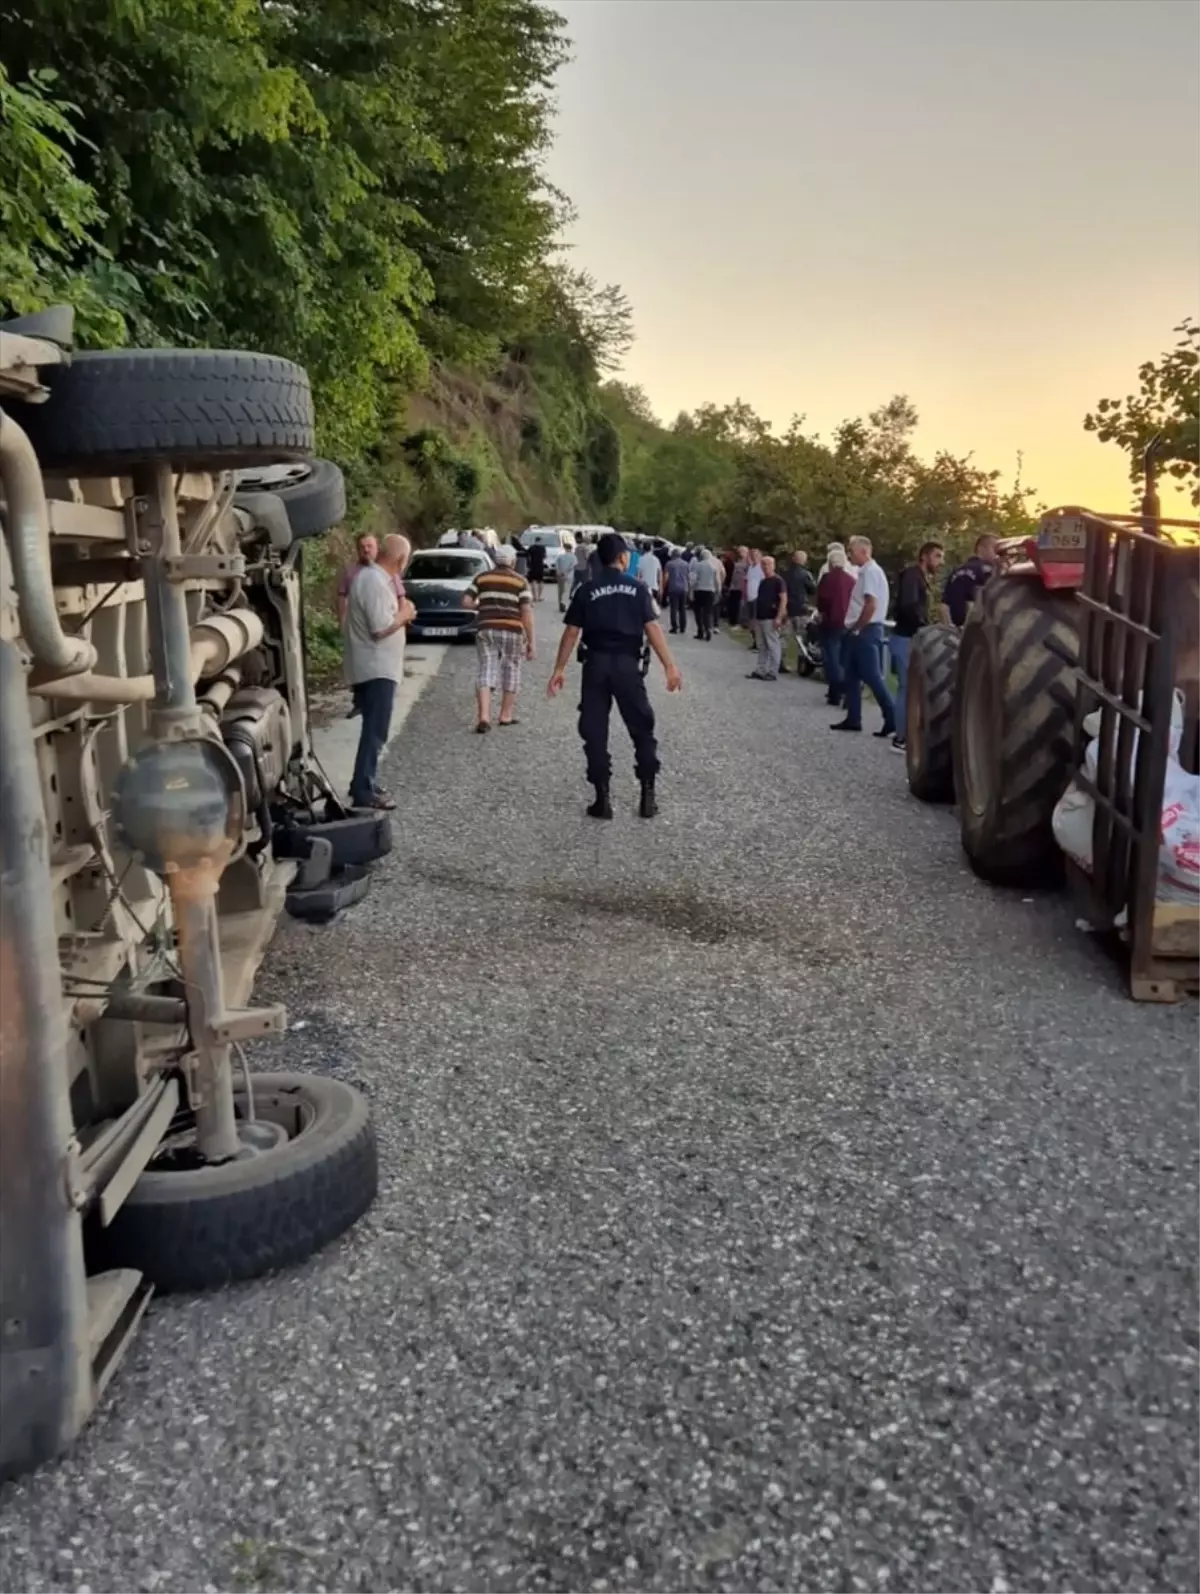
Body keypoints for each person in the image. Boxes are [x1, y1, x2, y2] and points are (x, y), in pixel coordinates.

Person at [549, 531, 682, 820]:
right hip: (626, 666)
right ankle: (647, 796)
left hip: (596, 665)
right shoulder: (638, 589)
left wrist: (559, 669)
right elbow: (652, 628)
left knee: (595, 731)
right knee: (642, 729)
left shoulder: (586, 589)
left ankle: (603, 799)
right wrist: (669, 665)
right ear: (623, 558)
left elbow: (572, 632)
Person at [343, 535, 415, 809]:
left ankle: (363, 782)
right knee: (375, 731)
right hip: (376, 667)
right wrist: (405, 614)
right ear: (401, 559)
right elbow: (379, 628)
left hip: (378, 666)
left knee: (375, 729)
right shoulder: (374, 582)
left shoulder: (376, 579)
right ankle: (363, 789)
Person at [462, 544, 534, 731]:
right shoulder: (521, 581)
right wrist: (531, 641)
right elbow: (526, 611)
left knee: (486, 669)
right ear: (512, 561)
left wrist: (482, 607)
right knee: (511, 668)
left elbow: (466, 601)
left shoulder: (482, 578)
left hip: (486, 628)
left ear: (495, 561)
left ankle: (484, 717)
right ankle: (505, 715)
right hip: (512, 629)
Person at [831, 535, 895, 737]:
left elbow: (871, 604)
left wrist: (858, 628)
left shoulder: (870, 573)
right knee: (851, 675)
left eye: (852, 551)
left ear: (864, 551)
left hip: (866, 630)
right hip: (862, 629)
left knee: (872, 676)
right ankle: (853, 717)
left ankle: (891, 716)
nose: (849, 555)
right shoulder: (865, 572)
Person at [889, 539, 944, 752]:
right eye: (937, 556)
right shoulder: (913, 576)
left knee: (909, 688)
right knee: (906, 688)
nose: (940, 562)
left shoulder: (919, 577)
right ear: (925, 556)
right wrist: (923, 627)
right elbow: (909, 605)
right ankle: (900, 738)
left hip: (909, 636)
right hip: (906, 637)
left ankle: (903, 734)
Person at [815, 546, 857, 705]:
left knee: (831, 658)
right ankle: (842, 689)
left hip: (831, 622)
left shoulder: (827, 578)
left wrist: (821, 613)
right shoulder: (851, 580)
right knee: (844, 657)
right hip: (847, 622)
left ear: (831, 563)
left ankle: (836, 689)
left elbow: (822, 601)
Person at [941, 533, 999, 626]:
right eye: (995, 549)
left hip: (954, 632)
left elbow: (944, 606)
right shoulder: (988, 571)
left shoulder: (956, 571)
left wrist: (948, 628)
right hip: (978, 630)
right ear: (980, 548)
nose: (997, 554)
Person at [749, 555, 787, 679]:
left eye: (768, 564)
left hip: (771, 617)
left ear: (773, 566)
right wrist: (755, 617)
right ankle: (760, 669)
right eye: (764, 564)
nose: (766, 567)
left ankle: (773, 671)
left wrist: (779, 617)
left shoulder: (778, 581)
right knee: (762, 645)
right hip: (761, 616)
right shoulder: (763, 582)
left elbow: (783, 599)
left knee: (773, 644)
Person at [780, 550, 816, 673]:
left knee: (784, 637)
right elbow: (812, 590)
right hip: (801, 609)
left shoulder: (784, 574)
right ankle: (802, 665)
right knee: (803, 638)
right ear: (803, 560)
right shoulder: (806, 574)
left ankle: (780, 662)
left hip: (787, 609)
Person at [688, 545, 721, 640]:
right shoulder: (714, 567)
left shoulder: (698, 565)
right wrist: (718, 592)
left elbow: (693, 580)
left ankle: (700, 631)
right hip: (710, 591)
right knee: (708, 612)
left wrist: (691, 591)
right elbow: (717, 581)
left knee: (698, 612)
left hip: (699, 590)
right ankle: (708, 628)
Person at [664, 547, 690, 634]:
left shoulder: (669, 564)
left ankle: (674, 627)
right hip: (684, 588)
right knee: (682, 608)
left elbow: (666, 577)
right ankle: (683, 627)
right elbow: (688, 576)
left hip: (673, 588)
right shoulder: (686, 564)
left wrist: (665, 586)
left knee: (673, 608)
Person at [742, 548, 764, 649]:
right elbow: (747, 581)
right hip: (749, 597)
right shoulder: (751, 567)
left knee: (756, 621)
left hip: (757, 597)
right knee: (750, 621)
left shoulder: (761, 568)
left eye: (756, 555)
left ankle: (759, 643)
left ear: (760, 556)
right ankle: (755, 641)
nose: (754, 557)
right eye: (752, 556)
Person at [636, 539, 663, 603]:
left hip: (643, 588)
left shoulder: (640, 559)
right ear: (651, 548)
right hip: (654, 587)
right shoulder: (656, 560)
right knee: (653, 608)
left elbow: (638, 575)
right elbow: (660, 575)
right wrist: (661, 588)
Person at [554, 545, 576, 613]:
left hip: (560, 575)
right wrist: (566, 572)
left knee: (560, 591)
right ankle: (564, 604)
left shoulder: (560, 556)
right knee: (567, 591)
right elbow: (573, 565)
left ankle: (560, 604)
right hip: (569, 576)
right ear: (571, 548)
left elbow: (556, 564)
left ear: (565, 548)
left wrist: (559, 571)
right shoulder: (573, 556)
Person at [526, 536, 547, 602]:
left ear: (535, 541)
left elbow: (527, 556)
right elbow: (544, 556)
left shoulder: (531, 548)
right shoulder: (543, 548)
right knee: (541, 581)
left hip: (532, 566)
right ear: (540, 541)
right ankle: (539, 596)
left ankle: (535, 597)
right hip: (540, 566)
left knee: (533, 581)